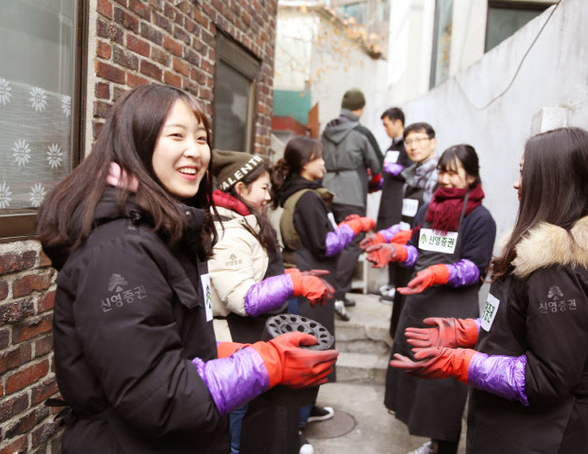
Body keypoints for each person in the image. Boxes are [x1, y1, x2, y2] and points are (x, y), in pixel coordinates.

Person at [36, 84, 338, 453]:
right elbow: (157, 396)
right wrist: (266, 363)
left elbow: (169, 341)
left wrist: (238, 353)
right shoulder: (120, 250)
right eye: (176, 135)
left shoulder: (166, 230)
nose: (194, 151)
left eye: (201, 137)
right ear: (136, 142)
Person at [390, 127, 588, 454]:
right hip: (506, 429)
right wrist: (467, 331)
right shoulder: (536, 255)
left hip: (537, 438)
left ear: (553, 182)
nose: (517, 183)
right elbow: (518, 326)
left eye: (525, 173)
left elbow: (545, 378)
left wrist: (465, 363)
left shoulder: (557, 272)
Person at [369, 144, 496, 454]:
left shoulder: (480, 218)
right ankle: (433, 442)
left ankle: (445, 445)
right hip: (418, 304)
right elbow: (418, 251)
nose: (446, 179)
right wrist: (397, 252)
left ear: (471, 177)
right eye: (442, 171)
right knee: (415, 381)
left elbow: (474, 268)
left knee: (444, 388)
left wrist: (441, 273)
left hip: (453, 314)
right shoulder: (429, 209)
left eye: (454, 172)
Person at [208, 150, 335, 454]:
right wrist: (291, 283)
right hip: (236, 341)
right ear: (240, 188)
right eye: (263, 188)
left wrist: (288, 276)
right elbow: (242, 298)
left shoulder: (243, 221)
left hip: (252, 337)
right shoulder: (228, 231)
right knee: (238, 417)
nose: (268, 196)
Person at [272, 136, 376, 449]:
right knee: (309, 349)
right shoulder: (307, 198)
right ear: (305, 162)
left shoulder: (300, 194)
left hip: (306, 278)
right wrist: (353, 228)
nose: (325, 164)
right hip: (308, 283)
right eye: (319, 158)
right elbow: (324, 243)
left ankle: (307, 409)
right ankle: (296, 425)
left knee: (314, 344)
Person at [361, 122, 441, 338]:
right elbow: (407, 220)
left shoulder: (438, 177)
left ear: (433, 143)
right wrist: (384, 235)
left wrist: (415, 236)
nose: (413, 146)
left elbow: (437, 224)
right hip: (406, 251)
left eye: (419, 140)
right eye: (408, 142)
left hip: (425, 256)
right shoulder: (411, 176)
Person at [320, 87, 384, 317]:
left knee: (332, 243)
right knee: (350, 245)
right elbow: (377, 165)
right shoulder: (361, 132)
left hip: (327, 192)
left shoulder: (326, 130)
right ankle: (336, 294)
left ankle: (335, 292)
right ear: (360, 109)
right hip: (352, 195)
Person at [376, 107, 409, 302]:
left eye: (387, 125)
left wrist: (400, 170)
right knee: (387, 242)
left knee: (398, 242)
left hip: (399, 203)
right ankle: (390, 284)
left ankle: (397, 287)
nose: (386, 129)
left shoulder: (407, 147)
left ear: (398, 123)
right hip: (387, 201)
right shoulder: (391, 148)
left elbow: (411, 172)